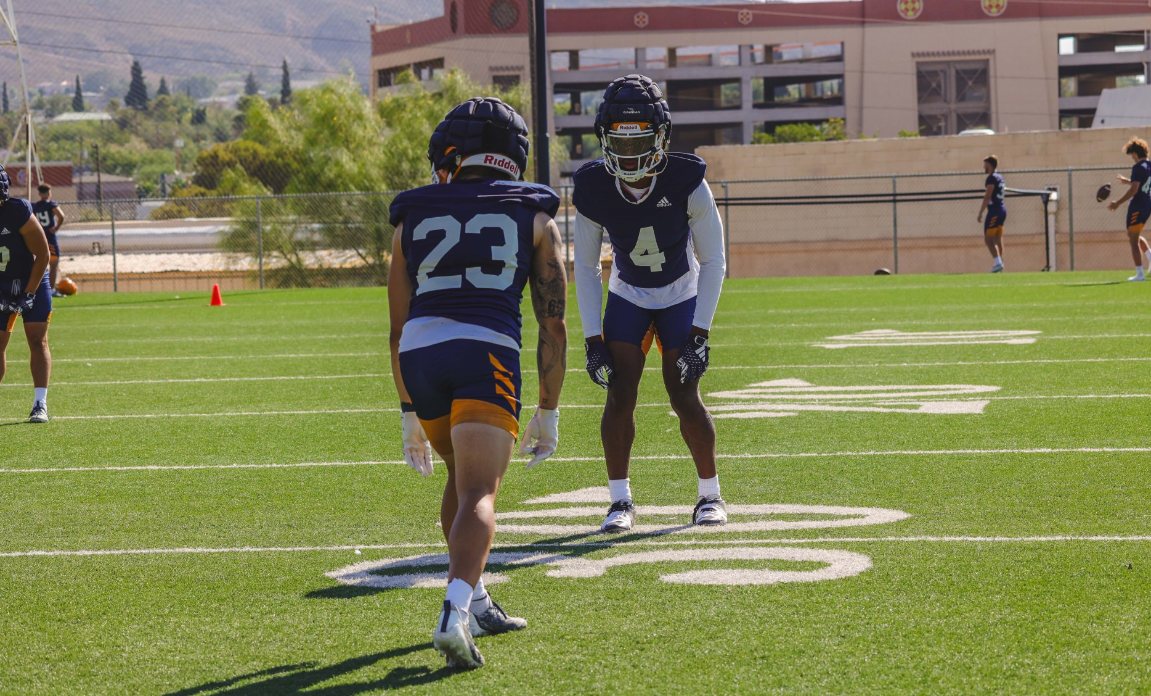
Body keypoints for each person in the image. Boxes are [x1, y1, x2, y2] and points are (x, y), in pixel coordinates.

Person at [388, 97, 568, 669]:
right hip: (484, 348)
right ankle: (454, 611)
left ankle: (478, 597)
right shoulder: (537, 216)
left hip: (420, 352)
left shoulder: (410, 216)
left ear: (453, 156)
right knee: (480, 493)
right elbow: (553, 324)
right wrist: (550, 409)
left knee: (462, 484)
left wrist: (407, 411)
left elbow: (395, 327)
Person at [572, 74, 727, 534]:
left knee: (685, 396)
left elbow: (714, 259)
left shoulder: (687, 181)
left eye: (640, 139)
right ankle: (619, 502)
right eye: (619, 141)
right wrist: (591, 339)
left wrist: (700, 332)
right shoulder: (593, 187)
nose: (629, 152)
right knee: (620, 395)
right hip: (629, 294)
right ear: (604, 139)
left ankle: (710, 495)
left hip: (681, 291)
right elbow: (583, 267)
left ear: (660, 136)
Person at [0, 165, 53, 422]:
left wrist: (29, 293)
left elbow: (43, 255)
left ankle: (40, 403)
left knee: (36, 339)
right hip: (1, 283)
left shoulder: (17, 211)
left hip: (32, 278)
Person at [1107, 137, 1151, 281]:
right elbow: (1142, 184)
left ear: (1135, 153)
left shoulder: (1138, 167)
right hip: (1147, 204)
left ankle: (1140, 274)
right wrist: (1128, 181)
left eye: (1131, 154)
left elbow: (1134, 190)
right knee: (1134, 235)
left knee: (1133, 240)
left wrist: (1117, 203)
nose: (1132, 157)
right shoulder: (1149, 165)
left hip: (1138, 205)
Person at [31, 184, 65, 296]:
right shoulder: (51, 204)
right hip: (50, 239)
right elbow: (61, 216)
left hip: (38, 239)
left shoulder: (34, 206)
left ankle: (35, 289)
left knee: (37, 265)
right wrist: (56, 227)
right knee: (53, 265)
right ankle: (51, 290)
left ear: (39, 193)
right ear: (49, 193)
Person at [976, 155, 1006, 273]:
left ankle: (998, 263)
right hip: (1002, 210)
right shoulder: (1000, 177)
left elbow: (988, 195)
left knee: (988, 239)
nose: (983, 167)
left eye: (985, 164)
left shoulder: (991, 178)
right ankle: (999, 262)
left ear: (989, 165)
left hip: (994, 210)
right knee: (997, 238)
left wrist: (980, 212)